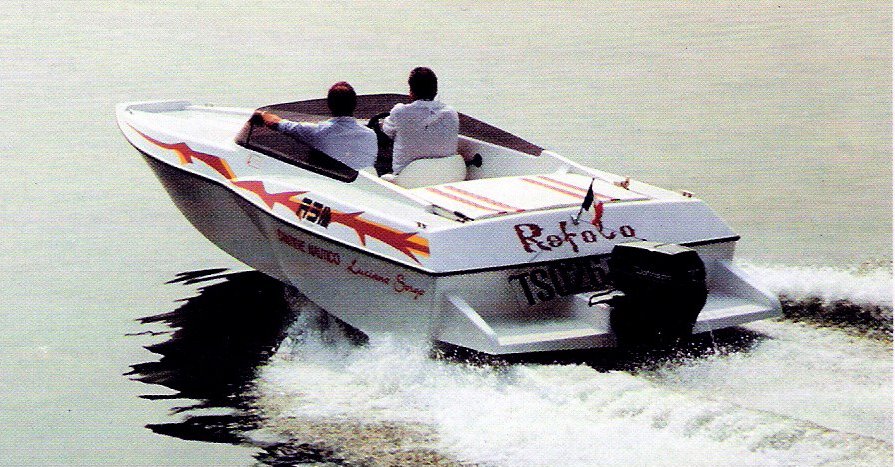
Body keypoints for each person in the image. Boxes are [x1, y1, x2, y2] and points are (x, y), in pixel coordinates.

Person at [256, 82, 377, 170]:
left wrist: (261, 114)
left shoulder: (316, 132)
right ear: (355, 104)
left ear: (329, 105)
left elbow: (275, 122)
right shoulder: (371, 135)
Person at [381, 67, 459, 174]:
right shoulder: (451, 113)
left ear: (411, 92)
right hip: (445, 174)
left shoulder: (400, 111)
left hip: (408, 176)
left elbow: (386, 132)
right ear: (435, 91)